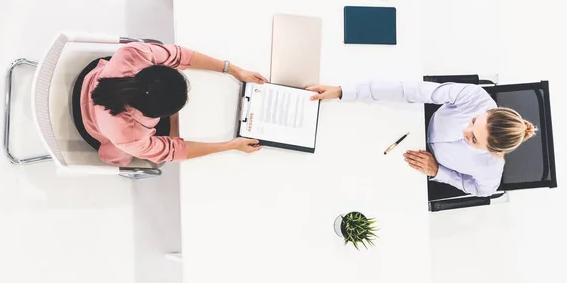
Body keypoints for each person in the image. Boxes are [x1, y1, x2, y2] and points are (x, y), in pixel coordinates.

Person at [306, 81, 536, 197]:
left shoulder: (491, 167)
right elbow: (409, 90)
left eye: (474, 140)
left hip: (413, 164)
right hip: (413, 120)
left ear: (493, 151)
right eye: (473, 121)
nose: (466, 130)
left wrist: (439, 172)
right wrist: (343, 91)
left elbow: (483, 191)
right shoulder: (475, 97)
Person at [75, 42, 267, 166]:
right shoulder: (131, 136)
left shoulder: (132, 55)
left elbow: (181, 55)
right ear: (156, 116)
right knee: (128, 154)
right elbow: (173, 151)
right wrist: (230, 145)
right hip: (92, 126)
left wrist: (234, 70)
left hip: (93, 81)